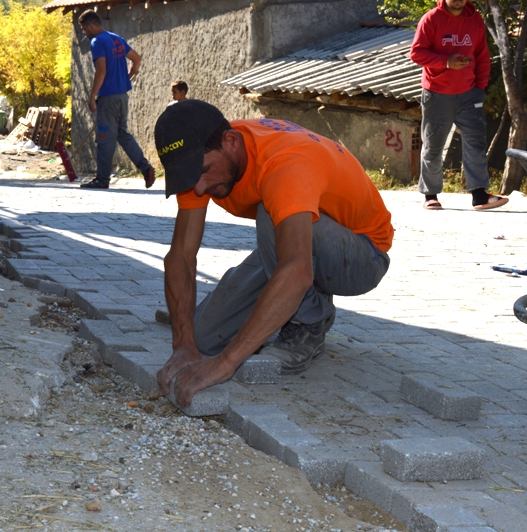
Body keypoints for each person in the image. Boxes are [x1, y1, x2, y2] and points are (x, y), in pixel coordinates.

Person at [153, 100, 393, 407]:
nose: (199, 189)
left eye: (204, 172)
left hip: (362, 254)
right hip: (296, 236)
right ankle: (241, 307)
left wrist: (226, 363)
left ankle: (307, 322)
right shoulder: (203, 157)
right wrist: (183, 342)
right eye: (190, 178)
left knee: (272, 210)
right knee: (203, 336)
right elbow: (181, 256)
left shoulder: (284, 163)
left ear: (230, 142)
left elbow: (296, 269)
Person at [410, 0, 507, 211]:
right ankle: (430, 195)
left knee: (476, 142)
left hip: (469, 94)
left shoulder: (475, 20)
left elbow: (482, 56)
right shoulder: (431, 18)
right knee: (433, 144)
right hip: (437, 94)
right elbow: (416, 53)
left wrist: (479, 88)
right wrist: (446, 62)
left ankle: (479, 195)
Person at [78, 10, 155, 190]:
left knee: (104, 137)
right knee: (122, 134)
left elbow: (101, 70)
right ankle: (146, 168)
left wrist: (92, 95)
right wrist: (129, 76)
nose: (84, 33)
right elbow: (137, 59)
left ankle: (102, 180)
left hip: (108, 97)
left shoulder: (97, 42)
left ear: (90, 26)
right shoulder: (116, 38)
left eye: (83, 29)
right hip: (122, 96)